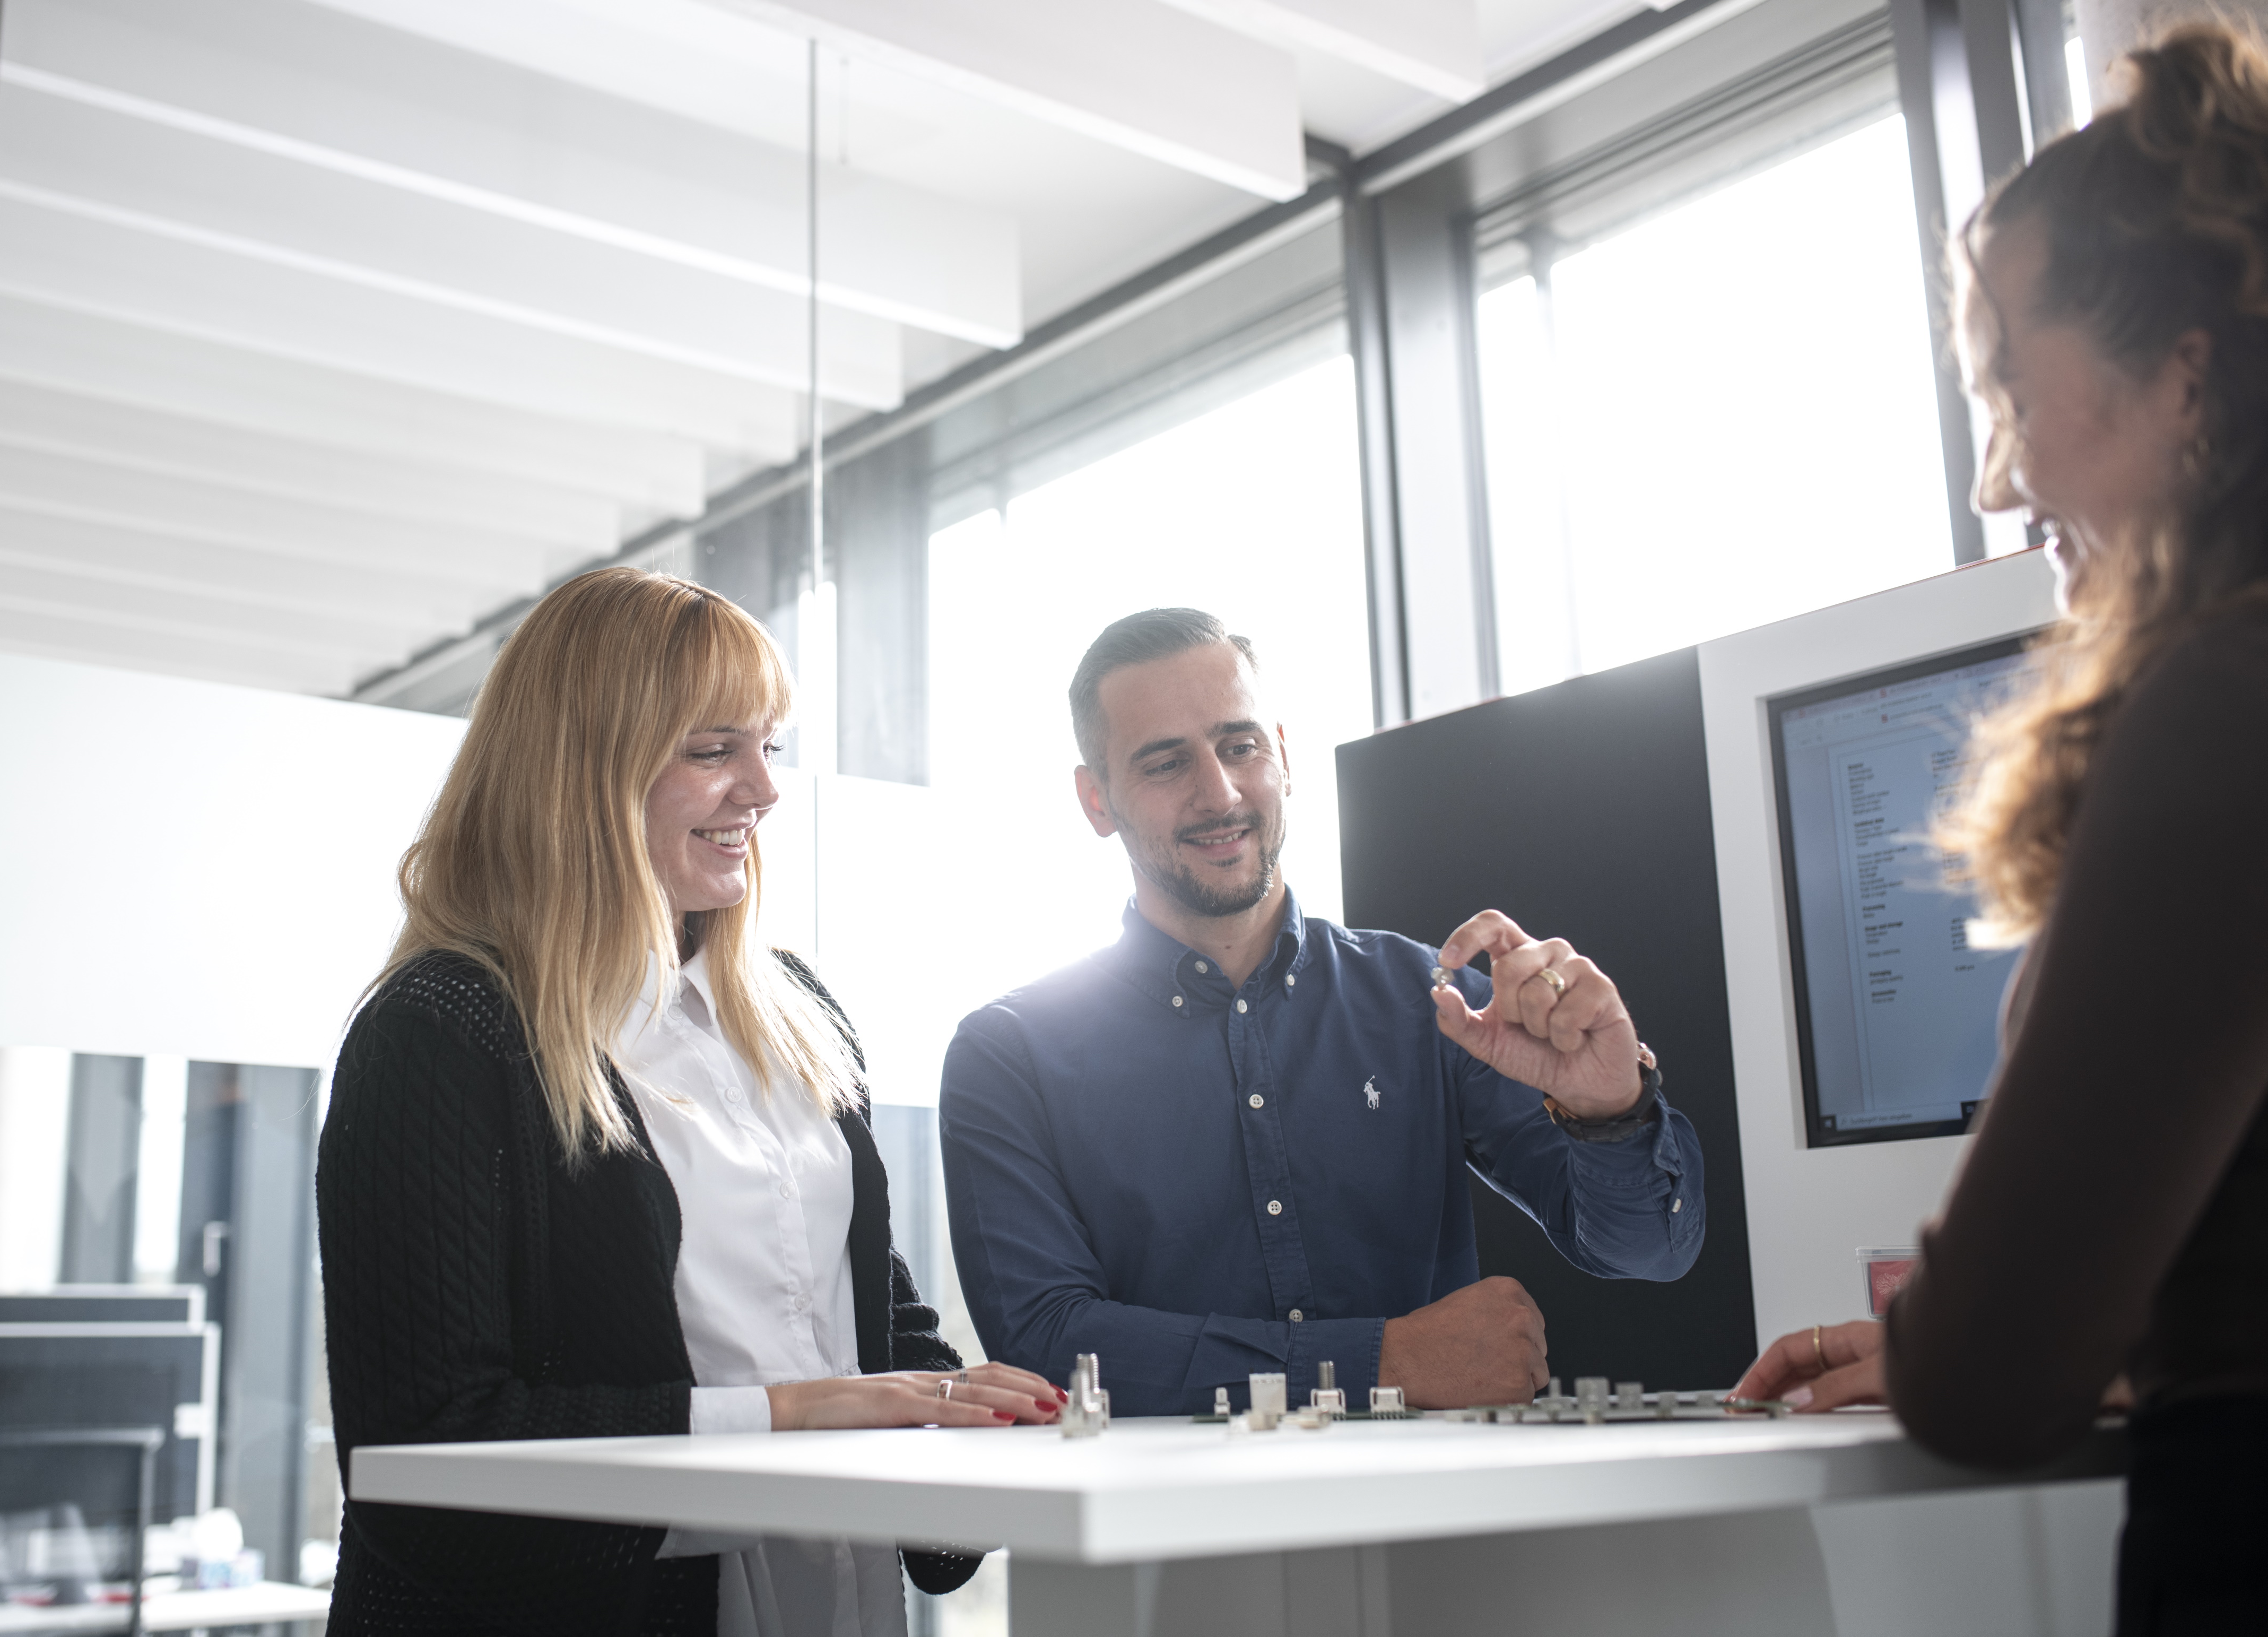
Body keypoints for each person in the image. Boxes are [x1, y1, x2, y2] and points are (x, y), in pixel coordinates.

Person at [1730, 23, 2268, 1632]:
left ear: (2184, 373)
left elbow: (1977, 1374)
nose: (1998, 480)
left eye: (2012, 396)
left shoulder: (2225, 703)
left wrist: (1999, 1324)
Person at [318, 568, 1060, 1637]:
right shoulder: (443, 1028)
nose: (761, 788)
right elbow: (430, 1455)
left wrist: (960, 1417)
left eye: (770, 745)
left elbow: (865, 1324)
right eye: (713, 750)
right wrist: (782, 1418)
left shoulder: (794, 1007)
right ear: (583, 773)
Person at [937, 607, 1706, 1416]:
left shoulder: (1430, 1002)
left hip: (1424, 1532)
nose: (1221, 792)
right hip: (1154, 1538)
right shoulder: (1009, 1056)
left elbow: (1648, 1247)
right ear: (1097, 800)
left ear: (1283, 755)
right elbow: (1043, 1345)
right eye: (1166, 763)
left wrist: (1610, 1110)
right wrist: (1381, 1360)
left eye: (1241, 747)